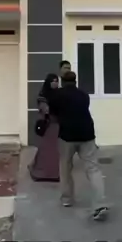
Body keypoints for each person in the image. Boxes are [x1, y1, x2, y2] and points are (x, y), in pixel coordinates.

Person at [48, 70, 109, 220]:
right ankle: (100, 204)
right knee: (93, 169)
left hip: (67, 136)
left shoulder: (57, 95)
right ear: (75, 81)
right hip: (87, 134)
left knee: (65, 167)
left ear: (62, 81)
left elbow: (53, 114)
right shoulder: (84, 95)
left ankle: (67, 199)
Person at [29, 73, 60, 182]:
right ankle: (43, 173)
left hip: (58, 124)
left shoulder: (59, 93)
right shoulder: (43, 95)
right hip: (49, 125)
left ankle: (55, 173)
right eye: (53, 81)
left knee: (56, 150)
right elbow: (45, 110)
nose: (55, 83)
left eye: (56, 81)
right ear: (48, 82)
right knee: (46, 149)